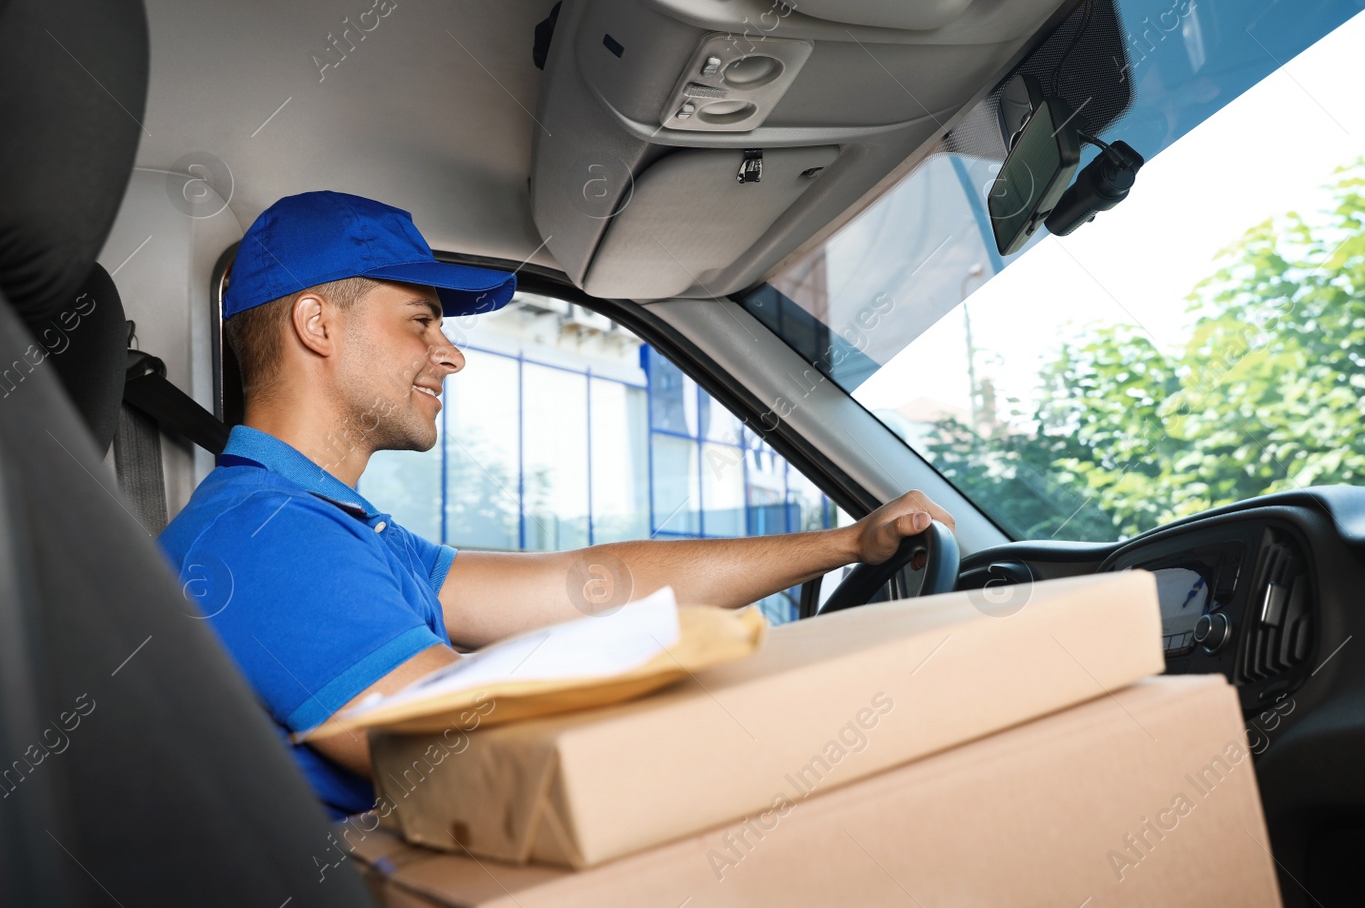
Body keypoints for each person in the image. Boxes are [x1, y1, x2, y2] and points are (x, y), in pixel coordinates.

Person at [158, 190, 954, 819]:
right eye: (421, 319)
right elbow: (475, 757)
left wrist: (846, 544)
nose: (452, 353)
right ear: (316, 324)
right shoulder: (265, 538)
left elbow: (592, 584)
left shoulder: (336, 529)